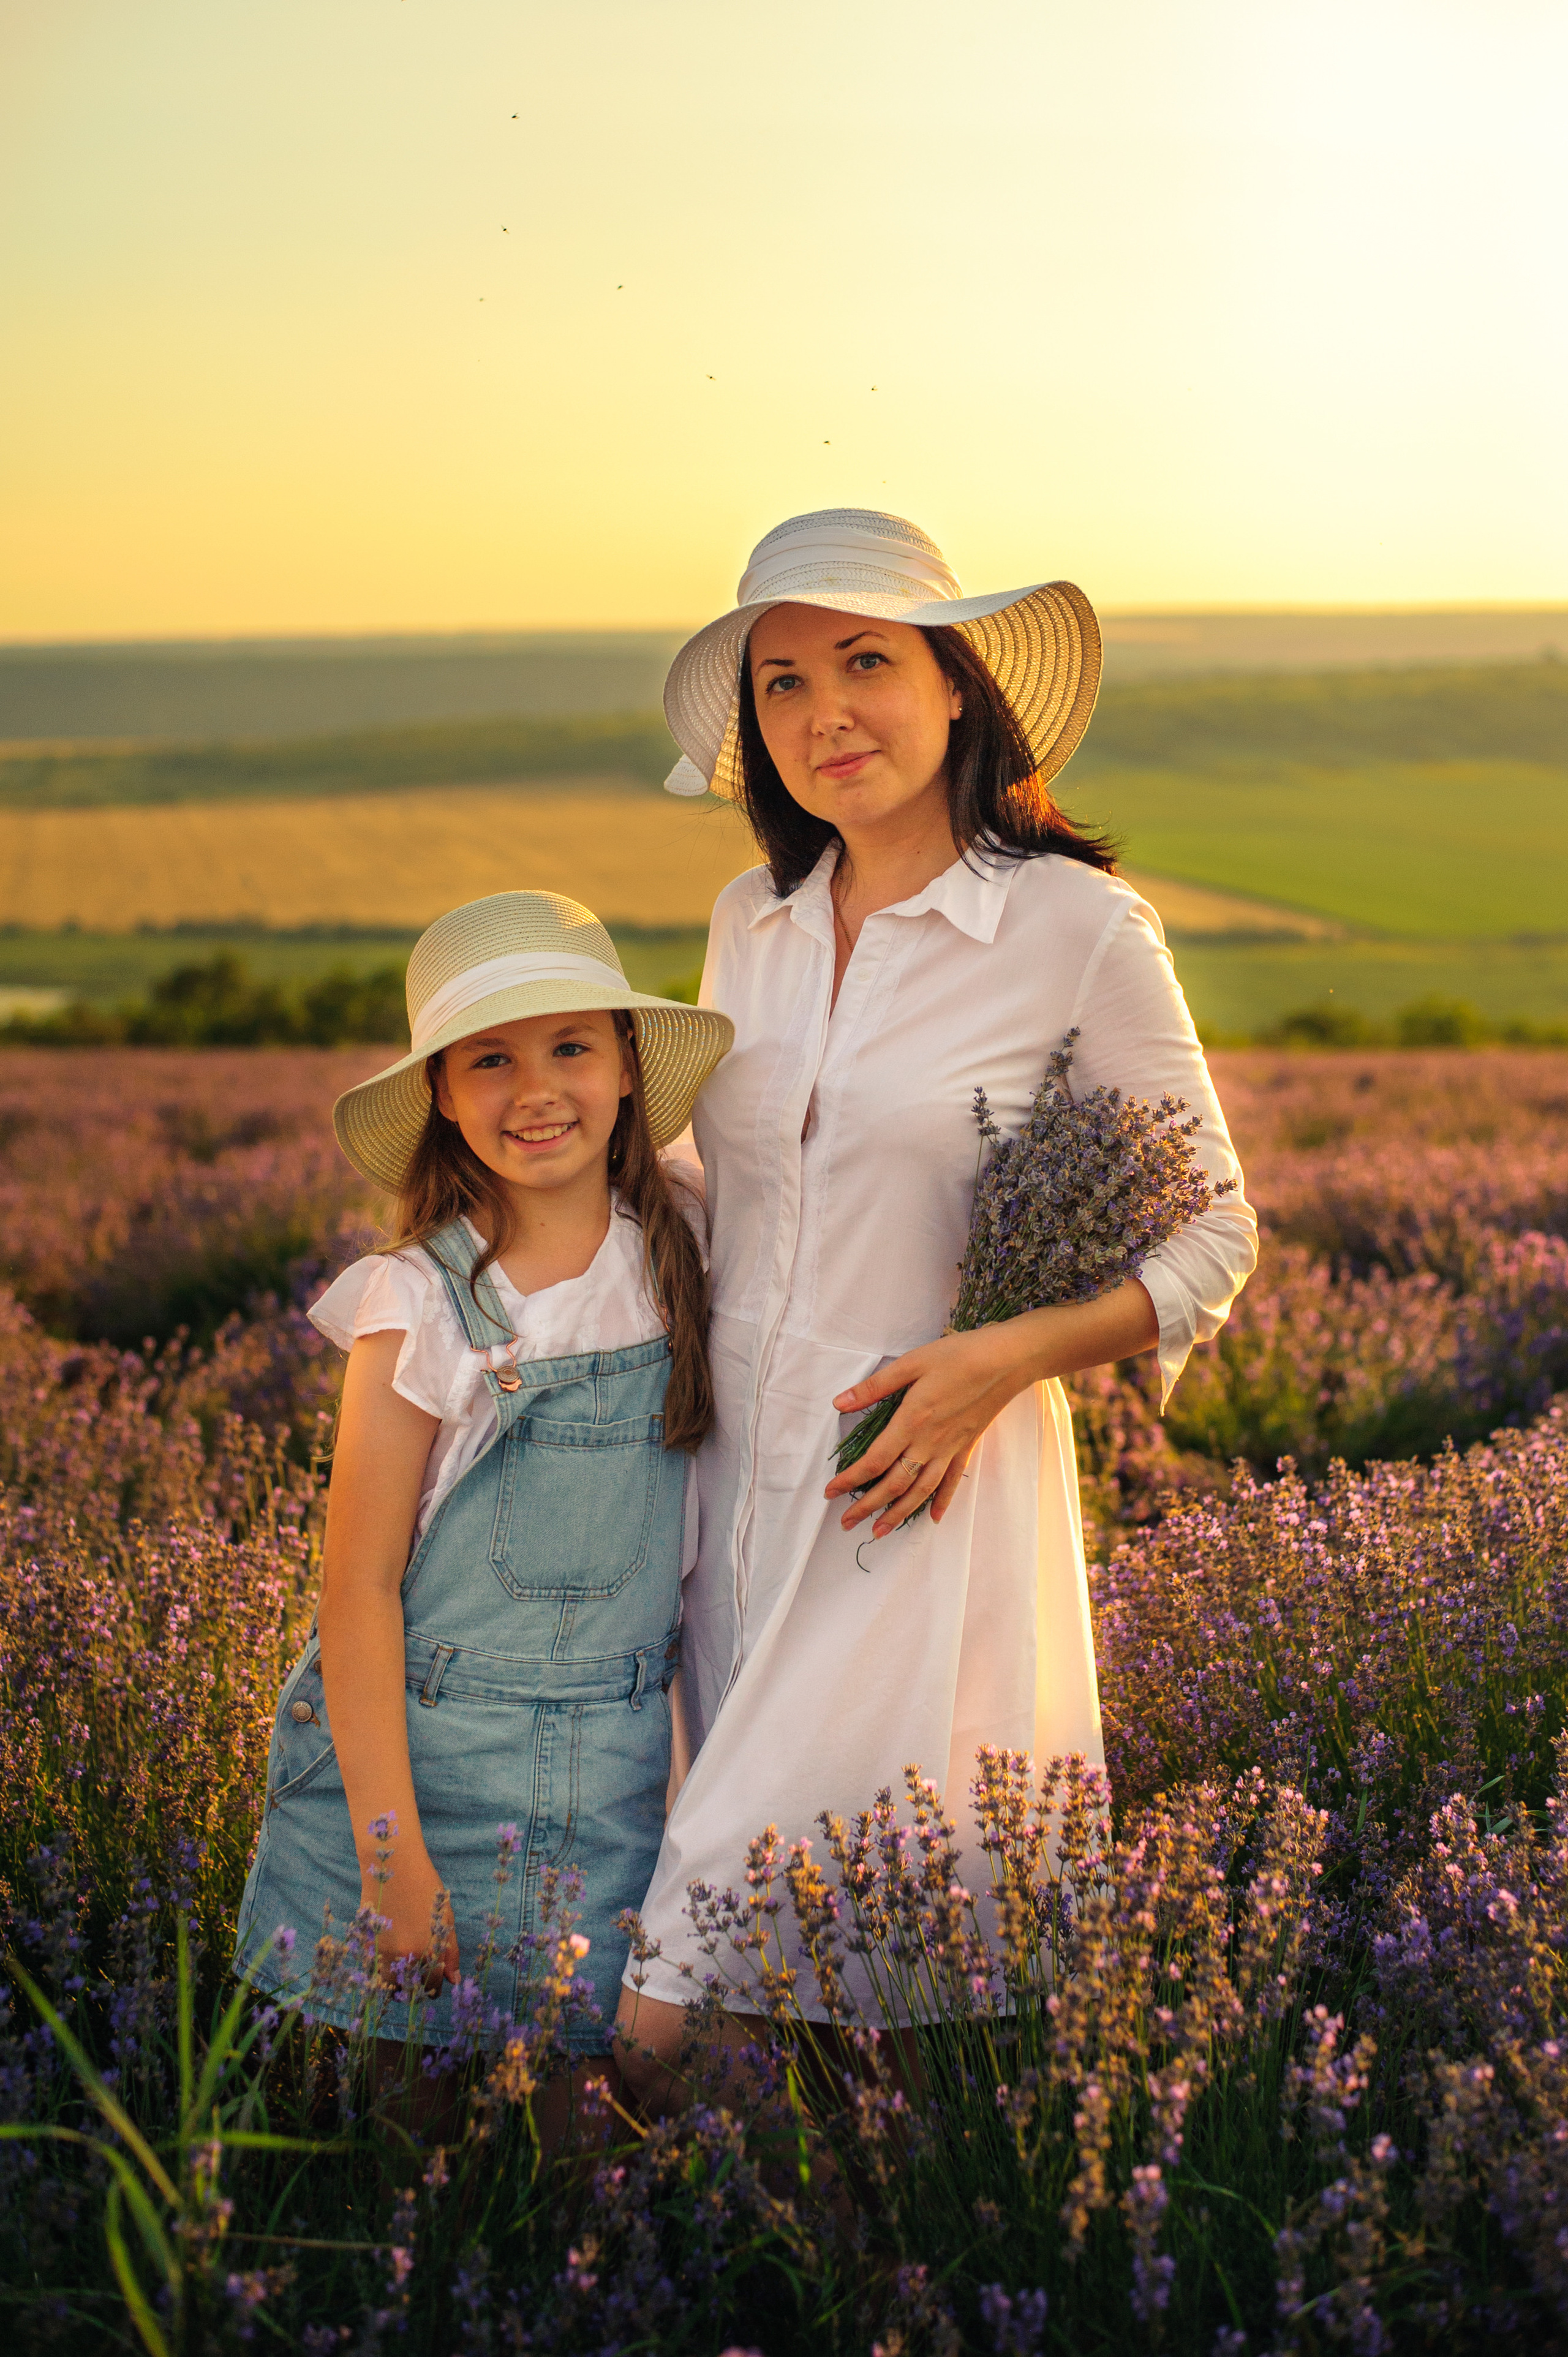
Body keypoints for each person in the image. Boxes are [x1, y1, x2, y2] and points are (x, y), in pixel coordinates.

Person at [616, 508, 1258, 2095]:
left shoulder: (1070, 928)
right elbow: (740, 1191)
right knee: (805, 1966)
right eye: (781, 683)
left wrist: (997, 1364)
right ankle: (843, 2222)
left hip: (912, 1487)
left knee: (689, 1952)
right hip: (726, 1481)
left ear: (956, 684)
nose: (823, 713)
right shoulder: (750, 925)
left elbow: (1213, 1235)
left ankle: (533, 2194)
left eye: (864, 663)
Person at [235, 889, 733, 2094]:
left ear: (627, 1065)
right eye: (491, 1060)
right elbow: (356, 1590)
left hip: (618, 1785)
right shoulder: (418, 1299)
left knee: (581, 2130)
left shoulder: (682, 1244)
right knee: (411, 2128)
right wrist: (389, 1859)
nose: (536, 1089)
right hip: (426, 1778)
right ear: (443, 1095)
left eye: (570, 1046)